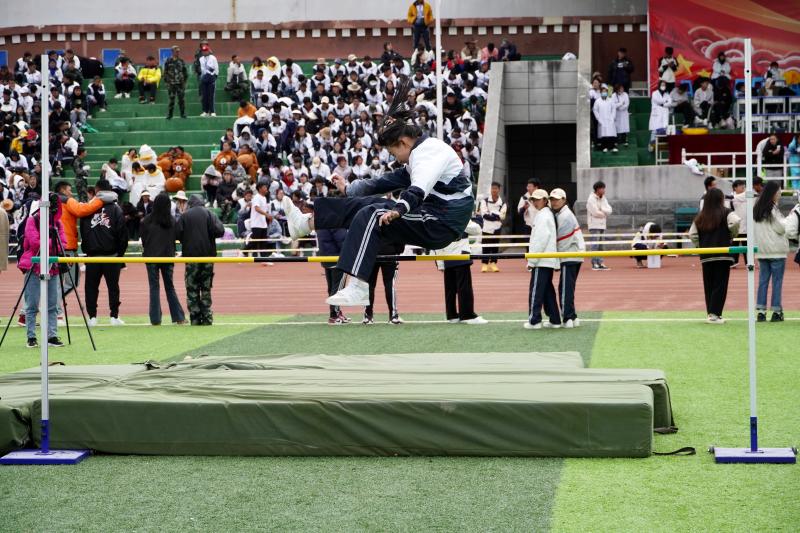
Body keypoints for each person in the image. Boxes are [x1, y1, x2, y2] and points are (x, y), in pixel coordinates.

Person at [281, 77, 474, 307]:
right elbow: (385, 182)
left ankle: (359, 285)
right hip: (433, 213)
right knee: (366, 205)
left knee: (373, 213)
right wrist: (349, 188)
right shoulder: (417, 154)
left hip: (442, 222)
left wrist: (398, 210)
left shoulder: (430, 153)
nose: (395, 159)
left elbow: (417, 189)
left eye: (393, 153)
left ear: (403, 142)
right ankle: (306, 224)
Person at [18, 195, 67, 347]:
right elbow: (35, 244)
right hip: (34, 265)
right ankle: (31, 337)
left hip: (52, 266)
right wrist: (53, 243)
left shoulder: (57, 223)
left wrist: (48, 243)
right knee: (31, 304)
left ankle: (52, 336)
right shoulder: (32, 220)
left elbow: (63, 244)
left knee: (52, 304)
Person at [80, 180, 129, 326]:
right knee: (113, 287)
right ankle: (114, 316)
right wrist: (119, 254)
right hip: (112, 256)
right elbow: (123, 235)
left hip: (93, 256)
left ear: (97, 190)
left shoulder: (89, 207)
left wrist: (87, 249)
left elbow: (83, 231)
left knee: (91, 287)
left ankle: (92, 317)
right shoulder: (116, 209)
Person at [688, 188, 740, 324]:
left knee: (709, 284)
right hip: (723, 253)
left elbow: (692, 234)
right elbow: (736, 222)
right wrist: (732, 235)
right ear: (721, 199)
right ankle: (715, 314)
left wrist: (700, 245)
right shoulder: (727, 212)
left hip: (706, 255)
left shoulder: (700, 216)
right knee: (720, 284)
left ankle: (712, 313)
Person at [176, 195, 225, 325]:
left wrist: (186, 239)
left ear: (190, 203)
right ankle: (207, 317)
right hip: (207, 256)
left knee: (192, 287)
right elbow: (220, 231)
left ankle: (195, 318)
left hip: (191, 257)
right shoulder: (210, 214)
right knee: (206, 287)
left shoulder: (185, 216)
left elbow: (177, 233)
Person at [140, 193, 186, 326]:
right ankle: (179, 317)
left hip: (151, 257)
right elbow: (178, 237)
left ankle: (155, 319)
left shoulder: (146, 221)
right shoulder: (172, 221)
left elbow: (144, 240)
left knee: (154, 287)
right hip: (167, 256)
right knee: (169, 287)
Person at [434, 219, 486, 324]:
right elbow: (477, 230)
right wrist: (466, 220)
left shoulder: (440, 219)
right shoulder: (461, 217)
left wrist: (440, 263)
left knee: (450, 289)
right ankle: (467, 316)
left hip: (446, 256)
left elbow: (437, 242)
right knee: (464, 288)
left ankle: (452, 315)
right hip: (461, 255)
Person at [753, 181, 789, 322]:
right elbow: (781, 228)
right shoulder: (772, 209)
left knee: (763, 282)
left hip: (762, 250)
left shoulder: (756, 208)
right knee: (777, 282)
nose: (780, 193)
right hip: (776, 250)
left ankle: (761, 311)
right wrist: (788, 220)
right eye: (778, 191)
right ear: (773, 193)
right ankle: (776, 311)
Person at [525, 189, 561, 329]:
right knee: (547, 291)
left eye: (537, 199)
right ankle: (555, 319)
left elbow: (540, 240)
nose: (535, 202)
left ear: (545, 200)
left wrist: (532, 260)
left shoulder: (543, 216)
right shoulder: (546, 214)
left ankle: (534, 321)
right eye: (533, 199)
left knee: (536, 291)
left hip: (541, 259)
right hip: (546, 259)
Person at [550, 188, 584, 328]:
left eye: (557, 199)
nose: (554, 202)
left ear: (564, 200)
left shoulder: (565, 216)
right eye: (552, 199)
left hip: (569, 255)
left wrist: (556, 260)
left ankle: (568, 318)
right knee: (568, 288)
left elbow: (562, 241)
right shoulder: (563, 213)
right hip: (574, 255)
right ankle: (573, 316)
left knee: (565, 289)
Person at [363, 240, 404, 325]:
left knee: (369, 285)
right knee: (389, 284)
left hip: (371, 253)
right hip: (390, 253)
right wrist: (397, 250)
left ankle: (368, 316)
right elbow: (400, 236)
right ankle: (393, 316)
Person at [479, 181, 507, 272]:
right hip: (486, 227)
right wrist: (496, 216)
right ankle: (484, 264)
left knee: (495, 246)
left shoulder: (502, 202)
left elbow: (502, 216)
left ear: (499, 190)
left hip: (497, 227)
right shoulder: (485, 201)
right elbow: (484, 214)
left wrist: (492, 214)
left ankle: (493, 263)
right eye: (492, 188)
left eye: (496, 188)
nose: (494, 190)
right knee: (485, 246)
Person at [586, 180, 612, 270]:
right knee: (595, 245)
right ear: (597, 189)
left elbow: (610, 210)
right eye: (602, 188)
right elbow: (595, 212)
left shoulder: (604, 198)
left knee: (601, 245)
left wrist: (602, 210)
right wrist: (604, 213)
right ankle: (594, 263)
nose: (604, 190)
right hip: (594, 225)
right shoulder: (591, 199)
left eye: (604, 188)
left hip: (602, 225)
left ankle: (600, 262)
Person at [163, 46, 188, 120]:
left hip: (180, 83)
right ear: (172, 51)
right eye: (176, 51)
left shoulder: (181, 61)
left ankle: (183, 114)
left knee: (181, 100)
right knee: (171, 100)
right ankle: (170, 115)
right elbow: (165, 72)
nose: (177, 53)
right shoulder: (168, 61)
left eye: (178, 51)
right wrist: (166, 82)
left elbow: (185, 72)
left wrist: (184, 82)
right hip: (171, 83)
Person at [593, 85, 617, 152]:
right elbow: (595, 110)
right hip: (602, 119)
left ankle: (612, 147)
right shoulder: (597, 101)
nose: (604, 93)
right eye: (603, 92)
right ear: (601, 92)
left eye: (605, 92)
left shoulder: (611, 100)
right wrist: (598, 118)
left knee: (611, 133)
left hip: (610, 119)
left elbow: (614, 109)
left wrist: (612, 117)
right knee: (603, 134)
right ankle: (604, 147)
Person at [648, 81, 671, 149]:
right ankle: (651, 145)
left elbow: (670, 103)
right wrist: (665, 101)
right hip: (656, 114)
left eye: (664, 85)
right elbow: (658, 101)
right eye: (662, 85)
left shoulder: (667, 94)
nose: (663, 86)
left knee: (664, 130)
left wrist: (663, 104)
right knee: (655, 130)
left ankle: (660, 146)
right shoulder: (654, 93)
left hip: (664, 113)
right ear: (659, 85)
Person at [198, 45, 219, 117]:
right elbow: (202, 69)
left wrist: (215, 76)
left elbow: (216, 67)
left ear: (208, 51)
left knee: (211, 95)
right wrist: (202, 77)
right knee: (205, 96)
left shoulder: (213, 58)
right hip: (204, 77)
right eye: (203, 51)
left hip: (211, 77)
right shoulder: (201, 59)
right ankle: (205, 111)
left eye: (206, 51)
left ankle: (212, 111)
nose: (204, 52)